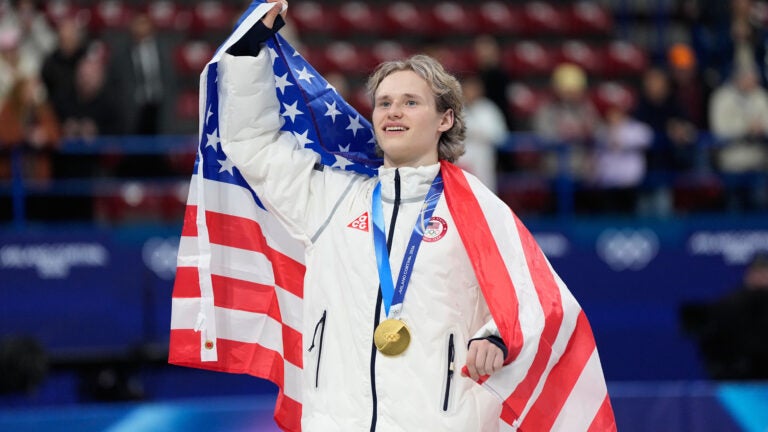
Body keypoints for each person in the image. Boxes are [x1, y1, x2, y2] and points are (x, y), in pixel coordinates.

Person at [171, 2, 615, 431]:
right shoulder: (332, 198)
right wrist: (249, 53)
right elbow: (254, 145)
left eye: (409, 102)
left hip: (439, 422)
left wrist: (496, 335)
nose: (393, 112)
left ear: (445, 119)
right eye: (383, 103)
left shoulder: (477, 209)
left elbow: (537, 297)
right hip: (334, 422)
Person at [680, 254, 768, 380]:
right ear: (749, 274)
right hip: (736, 381)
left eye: (766, 272)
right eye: (759, 272)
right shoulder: (729, 305)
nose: (763, 277)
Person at [458, 74, 508, 193]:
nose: (471, 92)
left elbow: (501, 136)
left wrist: (478, 132)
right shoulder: (456, 109)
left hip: (483, 158)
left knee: (484, 194)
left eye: (474, 88)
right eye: (468, 88)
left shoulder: (489, 109)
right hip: (460, 159)